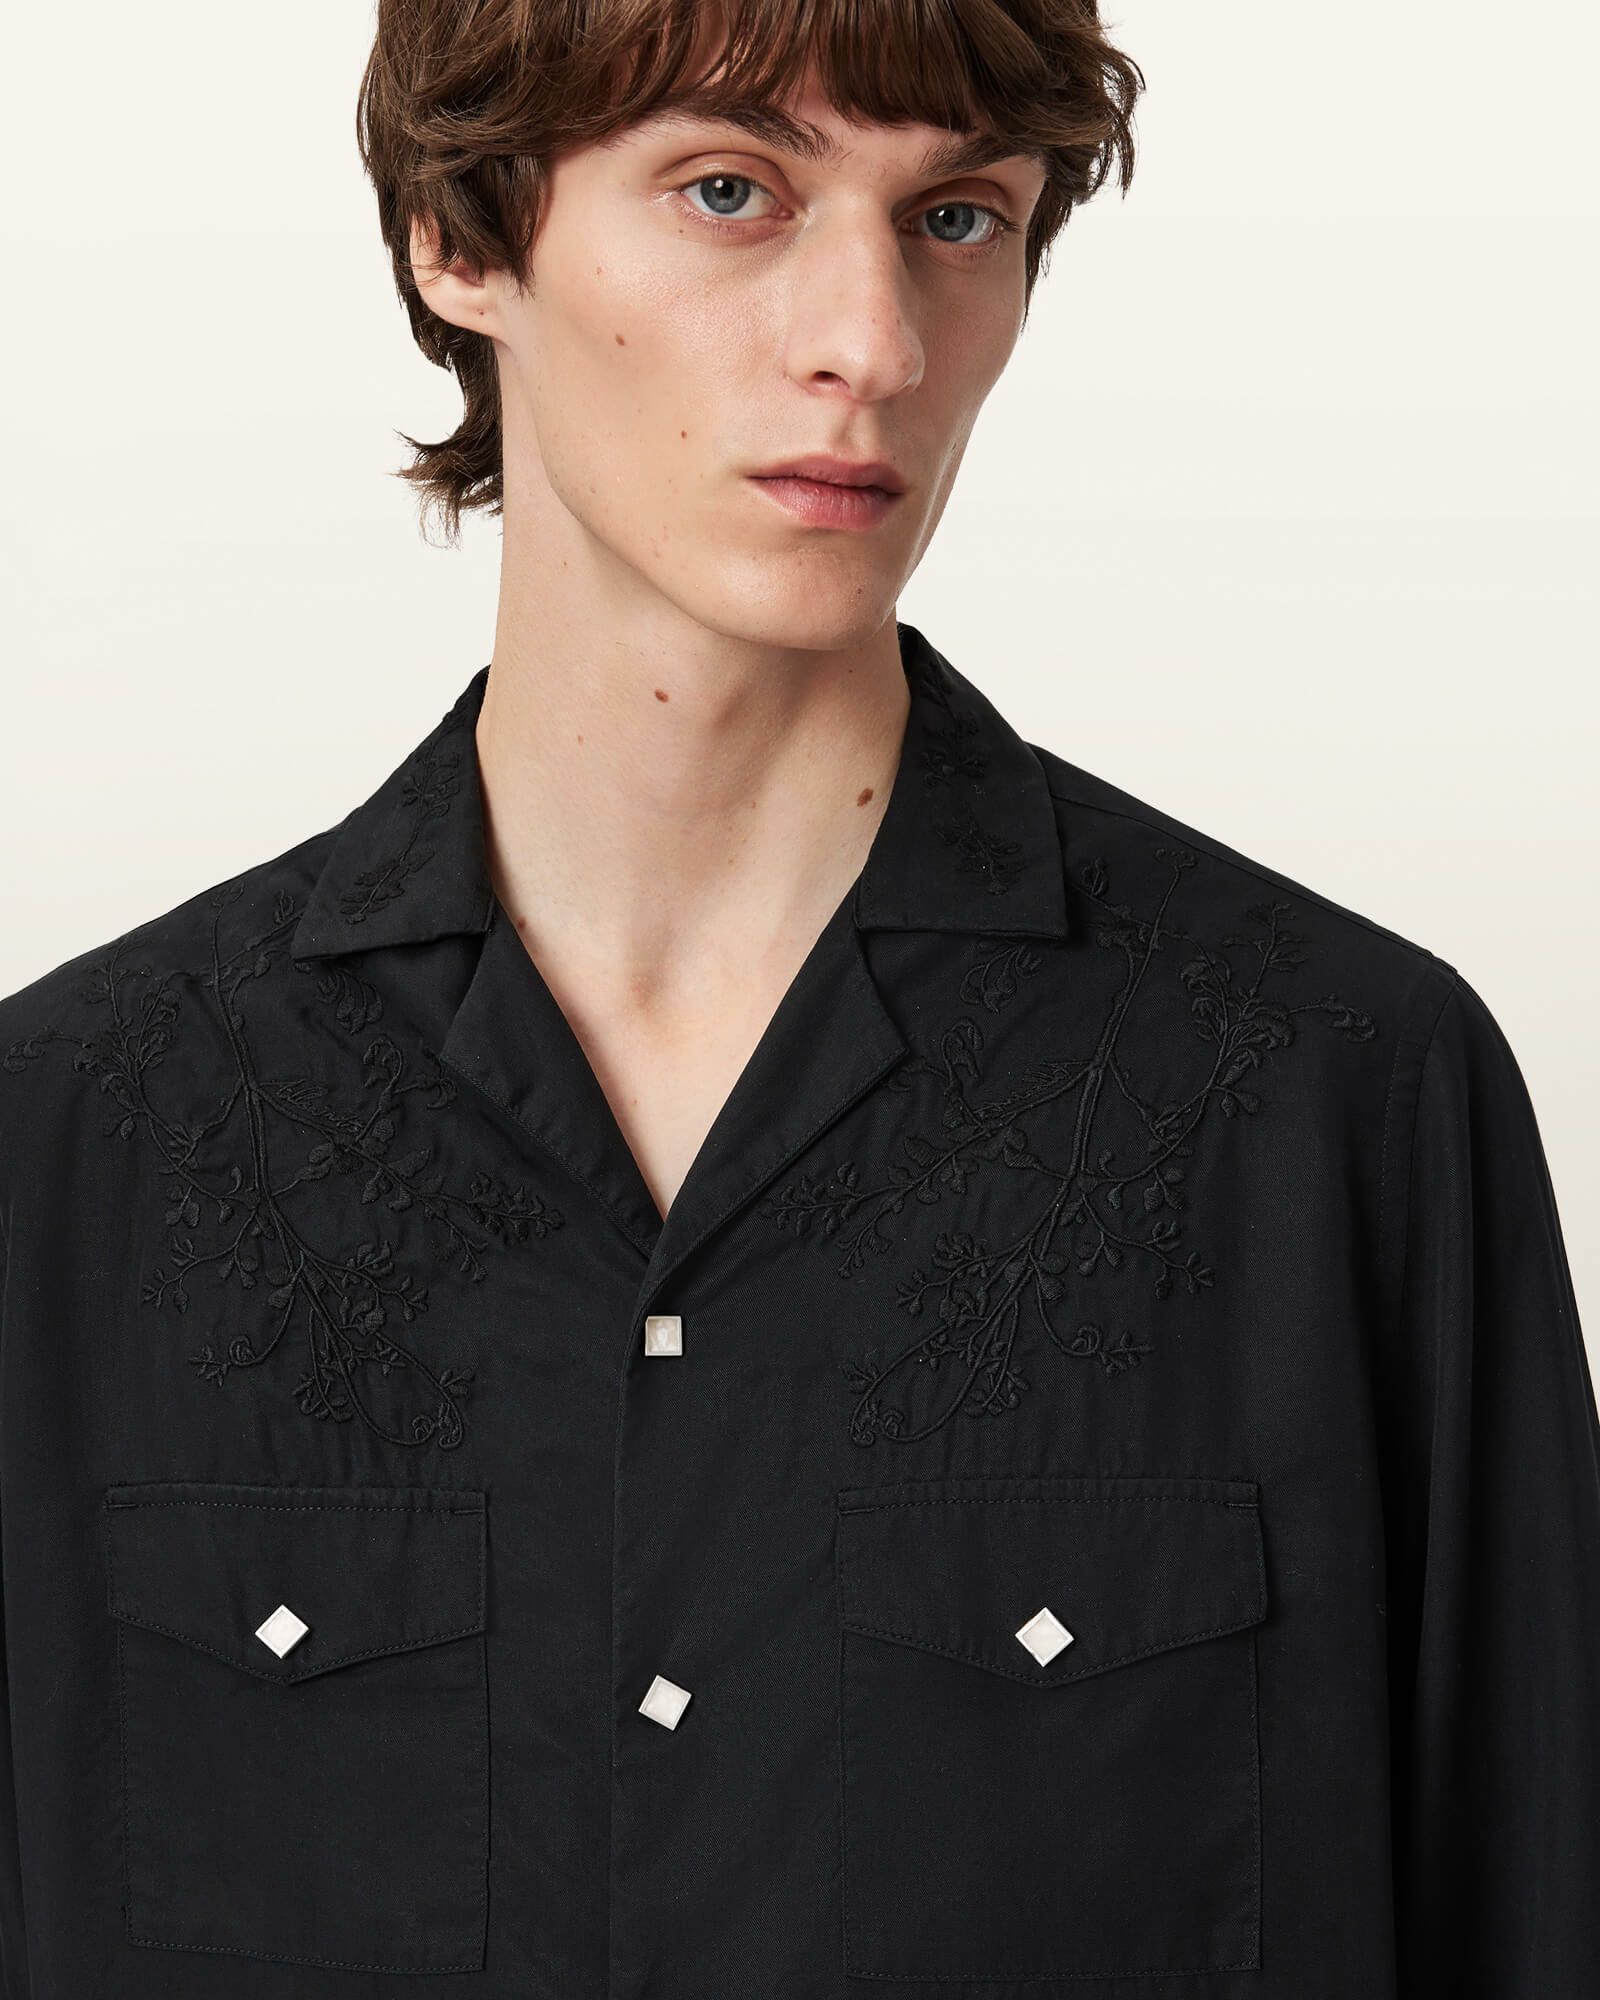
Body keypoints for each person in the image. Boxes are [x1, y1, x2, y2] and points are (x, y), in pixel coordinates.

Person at [1, 2, 1595, 1994]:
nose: (874, 344)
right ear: (459, 237)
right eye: (729, 191)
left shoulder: (1340, 1101)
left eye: (956, 217)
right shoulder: (73, 1146)